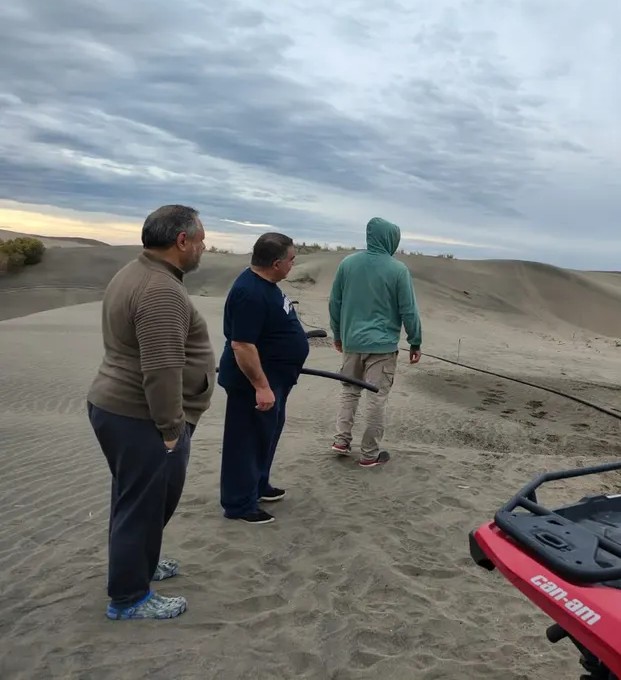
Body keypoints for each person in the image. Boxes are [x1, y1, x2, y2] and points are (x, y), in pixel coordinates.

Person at [85, 204, 214, 620]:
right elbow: (161, 369)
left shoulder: (137, 272)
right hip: (140, 415)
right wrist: (171, 429)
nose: (204, 247)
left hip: (122, 409)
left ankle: (139, 564)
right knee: (142, 505)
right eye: (201, 240)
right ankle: (129, 597)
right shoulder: (160, 289)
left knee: (136, 499)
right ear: (182, 241)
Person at [217, 232, 310, 524]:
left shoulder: (267, 285)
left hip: (275, 380)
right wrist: (261, 386)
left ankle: (257, 485)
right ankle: (239, 503)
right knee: (245, 441)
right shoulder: (249, 293)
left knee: (264, 436)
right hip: (253, 383)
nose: (293, 264)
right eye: (291, 259)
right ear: (276, 263)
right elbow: (242, 345)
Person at [328, 217, 422, 468]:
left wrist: (338, 335)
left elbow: (334, 303)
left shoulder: (347, 263)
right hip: (382, 348)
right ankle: (369, 454)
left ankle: (341, 440)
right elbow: (409, 310)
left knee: (349, 392)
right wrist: (415, 341)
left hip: (352, 342)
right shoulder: (398, 270)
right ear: (390, 239)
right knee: (376, 399)